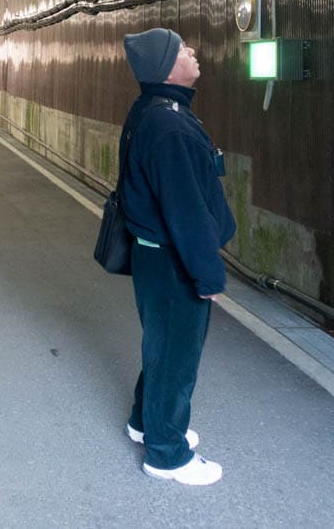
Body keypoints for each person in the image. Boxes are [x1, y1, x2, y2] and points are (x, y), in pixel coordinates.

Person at [118, 28, 236, 487]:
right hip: (173, 261)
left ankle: (144, 422)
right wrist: (207, 273)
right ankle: (167, 454)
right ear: (168, 67)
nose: (193, 52)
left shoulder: (152, 110)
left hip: (155, 257)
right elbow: (185, 210)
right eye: (184, 49)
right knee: (176, 358)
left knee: (162, 347)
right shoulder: (170, 127)